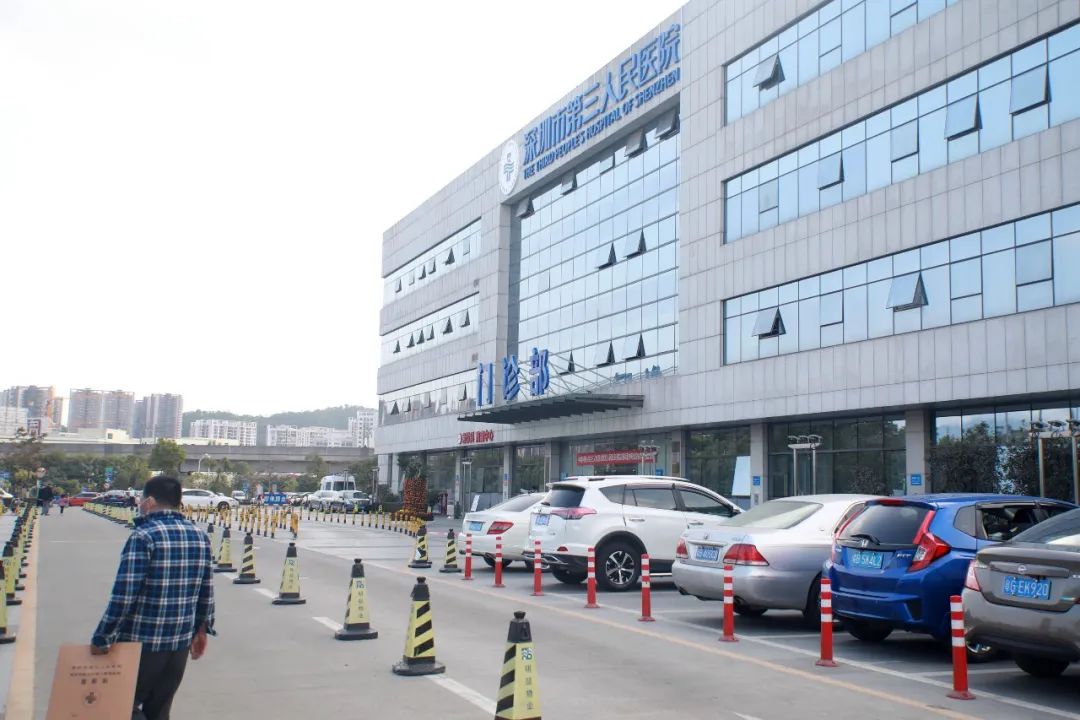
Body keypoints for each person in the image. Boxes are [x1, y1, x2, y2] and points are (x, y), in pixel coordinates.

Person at [91, 476, 215, 720]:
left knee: (121, 706)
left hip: (141, 644)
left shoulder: (144, 536)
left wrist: (103, 637)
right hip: (178, 645)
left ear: (149, 501)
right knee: (159, 711)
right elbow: (206, 591)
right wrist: (202, 629)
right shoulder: (199, 536)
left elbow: (124, 595)